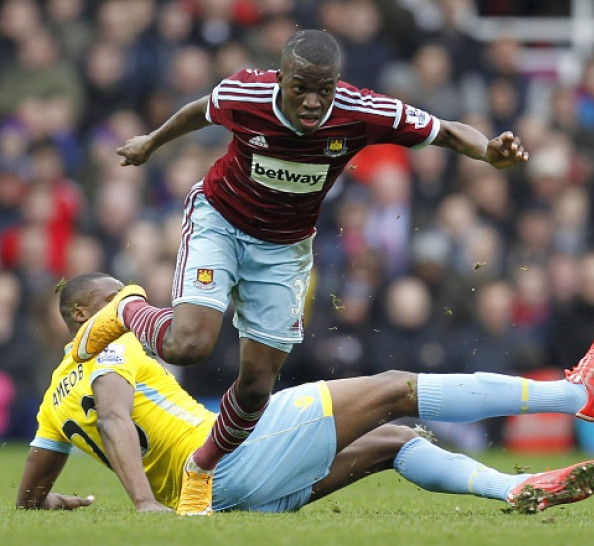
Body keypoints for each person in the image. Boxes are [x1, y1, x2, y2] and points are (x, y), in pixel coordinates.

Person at [69, 29, 530, 515]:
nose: (312, 102)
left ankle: (201, 469)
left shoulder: (364, 111)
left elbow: (446, 130)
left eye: (324, 89)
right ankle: (128, 309)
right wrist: (151, 142)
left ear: (338, 83)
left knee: (255, 387)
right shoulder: (245, 93)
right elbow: (198, 110)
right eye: (301, 88)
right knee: (190, 344)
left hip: (284, 250)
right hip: (219, 222)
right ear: (281, 77)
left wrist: (487, 151)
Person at [19, 273, 594, 514]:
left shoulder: (54, 395)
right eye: (115, 296)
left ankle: (515, 488)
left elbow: (29, 494)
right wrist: (143, 505)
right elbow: (118, 419)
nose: (130, 303)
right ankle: (574, 397)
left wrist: (47, 504)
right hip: (229, 458)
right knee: (391, 390)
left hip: (218, 503)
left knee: (391, 440)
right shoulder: (109, 347)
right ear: (80, 313)